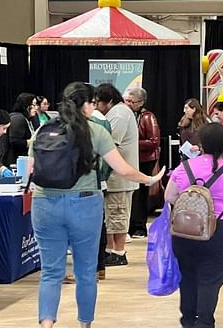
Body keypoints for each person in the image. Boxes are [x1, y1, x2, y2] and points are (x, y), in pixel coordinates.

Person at [29, 82, 164, 328]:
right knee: (86, 272)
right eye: (92, 102)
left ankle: (46, 324)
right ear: (86, 105)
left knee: (50, 272)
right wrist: (150, 178)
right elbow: (121, 168)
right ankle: (85, 324)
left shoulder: (42, 130)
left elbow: (30, 170)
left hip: (44, 204)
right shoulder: (96, 131)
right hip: (84, 204)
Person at [164, 122, 223, 328]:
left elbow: (170, 196)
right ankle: (204, 322)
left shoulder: (183, 167)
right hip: (220, 233)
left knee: (187, 277)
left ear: (200, 143)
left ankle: (187, 320)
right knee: (209, 282)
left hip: (185, 231)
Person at [95, 83, 140, 266]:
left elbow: (111, 144)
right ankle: (110, 249)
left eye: (99, 102)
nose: (97, 106)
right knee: (111, 214)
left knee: (118, 214)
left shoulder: (119, 113)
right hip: (115, 175)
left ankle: (119, 252)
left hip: (120, 175)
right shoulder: (116, 112)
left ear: (109, 101)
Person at [125, 87, 161, 239]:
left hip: (145, 160)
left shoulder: (148, 117)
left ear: (140, 102)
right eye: (127, 100)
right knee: (133, 193)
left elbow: (154, 141)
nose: (129, 104)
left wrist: (132, 143)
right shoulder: (129, 115)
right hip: (133, 159)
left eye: (131, 101)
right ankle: (132, 225)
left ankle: (139, 226)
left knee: (140, 193)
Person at [6, 92, 39, 166]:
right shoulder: (18, 118)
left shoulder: (29, 119)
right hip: (15, 162)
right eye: (33, 105)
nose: (36, 108)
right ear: (26, 106)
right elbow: (14, 142)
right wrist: (31, 142)